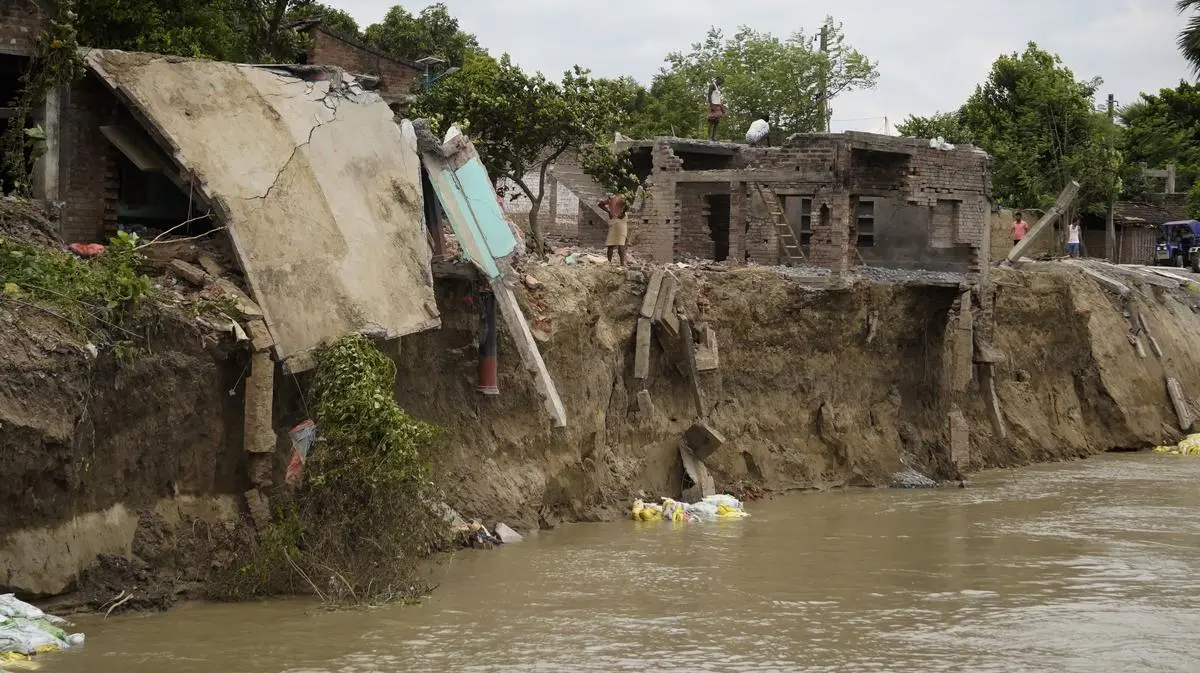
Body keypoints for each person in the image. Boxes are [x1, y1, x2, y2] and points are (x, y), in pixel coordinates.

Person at [598, 193, 629, 266]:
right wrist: (622, 213)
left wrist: (609, 211)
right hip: (621, 220)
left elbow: (600, 204)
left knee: (611, 243)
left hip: (613, 220)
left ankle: (609, 262)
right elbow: (627, 206)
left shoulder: (611, 198)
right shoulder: (623, 196)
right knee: (621, 242)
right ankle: (622, 263)